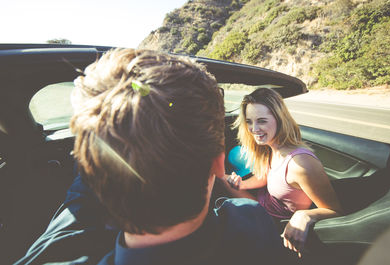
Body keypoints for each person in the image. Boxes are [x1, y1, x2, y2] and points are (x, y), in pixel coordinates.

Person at [15, 49, 287, 265]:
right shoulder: (251, 221)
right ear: (218, 161)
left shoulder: (56, 252)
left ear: (93, 175)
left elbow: (79, 200)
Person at [223, 87, 342, 258]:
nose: (254, 128)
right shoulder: (274, 148)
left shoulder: (300, 164)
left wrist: (305, 215)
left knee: (215, 175)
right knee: (219, 176)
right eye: (249, 121)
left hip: (270, 225)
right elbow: (268, 176)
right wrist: (244, 184)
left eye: (262, 121)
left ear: (279, 119)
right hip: (261, 206)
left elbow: (336, 211)